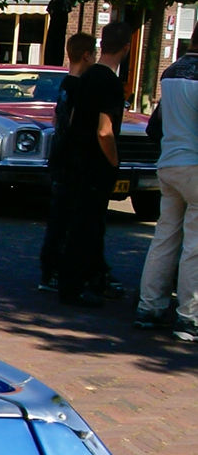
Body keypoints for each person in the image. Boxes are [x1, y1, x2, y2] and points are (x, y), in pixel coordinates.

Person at [58, 21, 133, 308]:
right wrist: (114, 161)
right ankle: (77, 285)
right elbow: (105, 130)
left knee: (77, 222)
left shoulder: (86, 77)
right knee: (89, 224)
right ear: (125, 48)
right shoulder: (112, 84)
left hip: (75, 158)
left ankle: (80, 279)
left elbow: (75, 118)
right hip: (95, 164)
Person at [133, 38, 198, 340]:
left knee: (165, 237)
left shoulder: (171, 72)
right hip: (195, 165)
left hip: (169, 164)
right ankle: (189, 317)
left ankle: (150, 307)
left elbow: (154, 127)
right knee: (194, 246)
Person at [38, 32, 97, 294]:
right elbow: (72, 123)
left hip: (58, 157)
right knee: (67, 218)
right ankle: (59, 272)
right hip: (72, 160)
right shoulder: (80, 87)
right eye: (93, 53)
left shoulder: (64, 85)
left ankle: (48, 271)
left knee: (56, 218)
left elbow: (57, 120)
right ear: (87, 55)